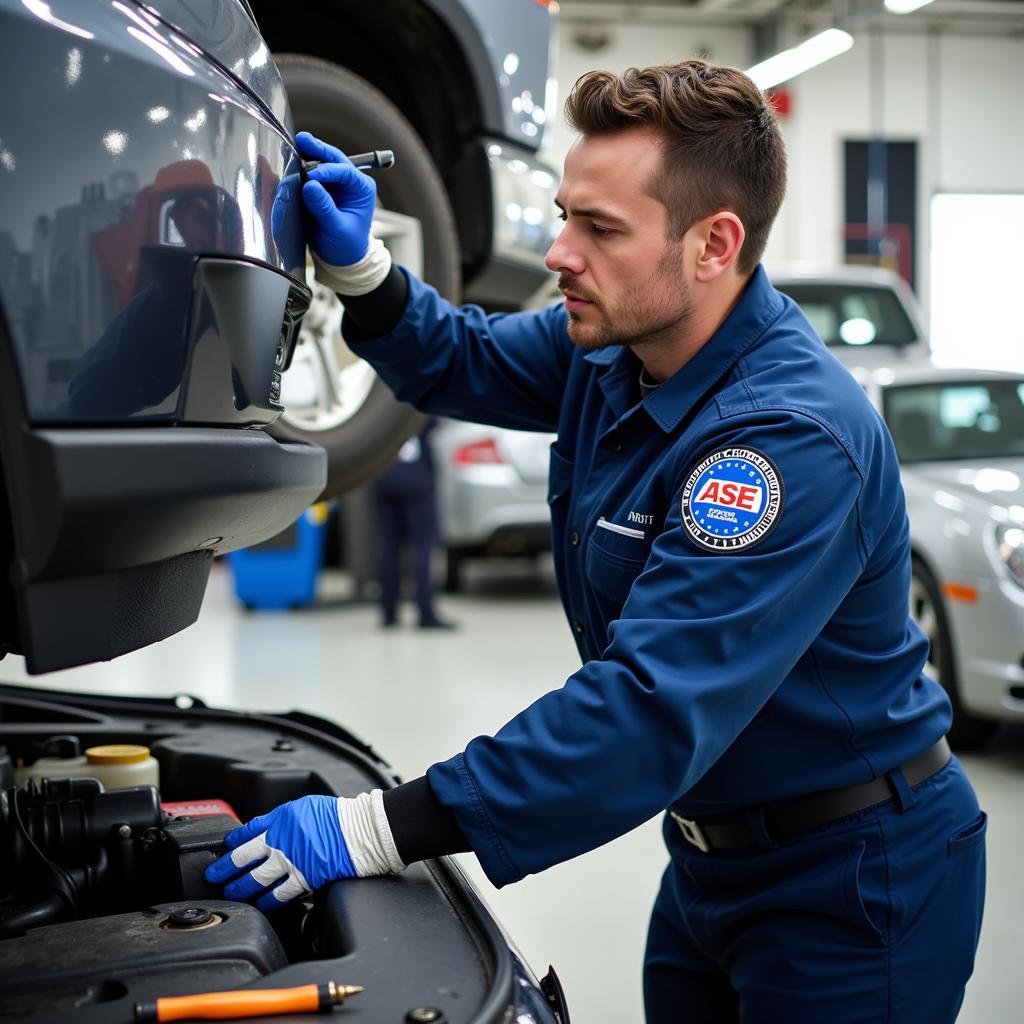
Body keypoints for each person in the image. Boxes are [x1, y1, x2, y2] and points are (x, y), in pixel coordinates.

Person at [206, 61, 986, 1022]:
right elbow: (464, 356)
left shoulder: (785, 441)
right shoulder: (619, 347)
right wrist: (363, 269)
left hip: (856, 882)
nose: (562, 253)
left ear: (714, 245)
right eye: (568, 215)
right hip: (710, 859)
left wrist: (374, 829)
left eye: (601, 229)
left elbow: (644, 711)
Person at [371, 417, 454, 629]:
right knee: (423, 546)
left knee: (387, 544)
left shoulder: (379, 395)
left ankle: (388, 611)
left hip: (384, 473)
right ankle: (425, 612)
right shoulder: (416, 391)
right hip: (417, 476)